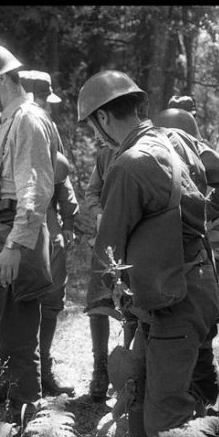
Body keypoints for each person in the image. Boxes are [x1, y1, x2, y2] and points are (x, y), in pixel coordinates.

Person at [78, 70, 219, 437]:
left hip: (175, 298)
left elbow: (108, 245)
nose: (97, 136)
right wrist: (196, 219)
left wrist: (102, 302)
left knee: (163, 414)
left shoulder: (127, 165)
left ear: (104, 118)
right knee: (143, 394)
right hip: (191, 286)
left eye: (94, 126)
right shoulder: (180, 138)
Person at [0, 44, 58, 425]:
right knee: (4, 324)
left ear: (2, 79)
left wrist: (16, 243)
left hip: (12, 234)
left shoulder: (27, 120)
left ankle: (24, 420)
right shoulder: (9, 121)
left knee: (19, 331)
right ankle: (12, 402)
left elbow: (36, 188)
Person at [151, 106, 219, 412]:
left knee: (200, 343)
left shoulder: (195, 158)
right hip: (179, 265)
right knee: (186, 344)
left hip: (199, 266)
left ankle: (205, 410)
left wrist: (201, 214)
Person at [19, 70, 78, 397]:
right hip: (21, 226)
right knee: (21, 302)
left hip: (48, 224)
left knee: (51, 301)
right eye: (43, 99)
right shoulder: (10, 128)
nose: (48, 106)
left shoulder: (48, 128)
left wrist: (67, 221)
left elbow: (61, 177)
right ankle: (17, 372)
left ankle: (44, 368)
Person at [84, 143, 137, 402]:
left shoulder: (145, 148)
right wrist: (100, 215)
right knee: (97, 304)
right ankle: (101, 369)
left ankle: (129, 374)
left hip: (136, 241)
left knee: (133, 309)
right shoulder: (106, 152)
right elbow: (92, 192)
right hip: (105, 241)